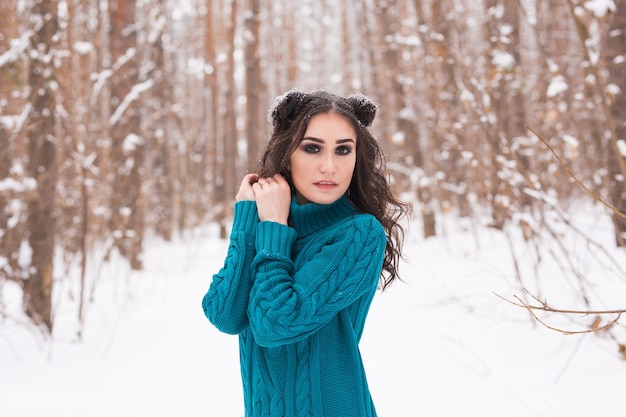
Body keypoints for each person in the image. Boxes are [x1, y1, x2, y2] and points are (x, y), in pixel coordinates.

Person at [202, 89, 410, 417]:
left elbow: (276, 323)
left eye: (343, 150)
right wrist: (247, 217)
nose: (329, 166)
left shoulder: (358, 233)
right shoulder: (270, 223)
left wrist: (271, 229)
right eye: (312, 148)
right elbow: (226, 315)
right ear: (288, 153)